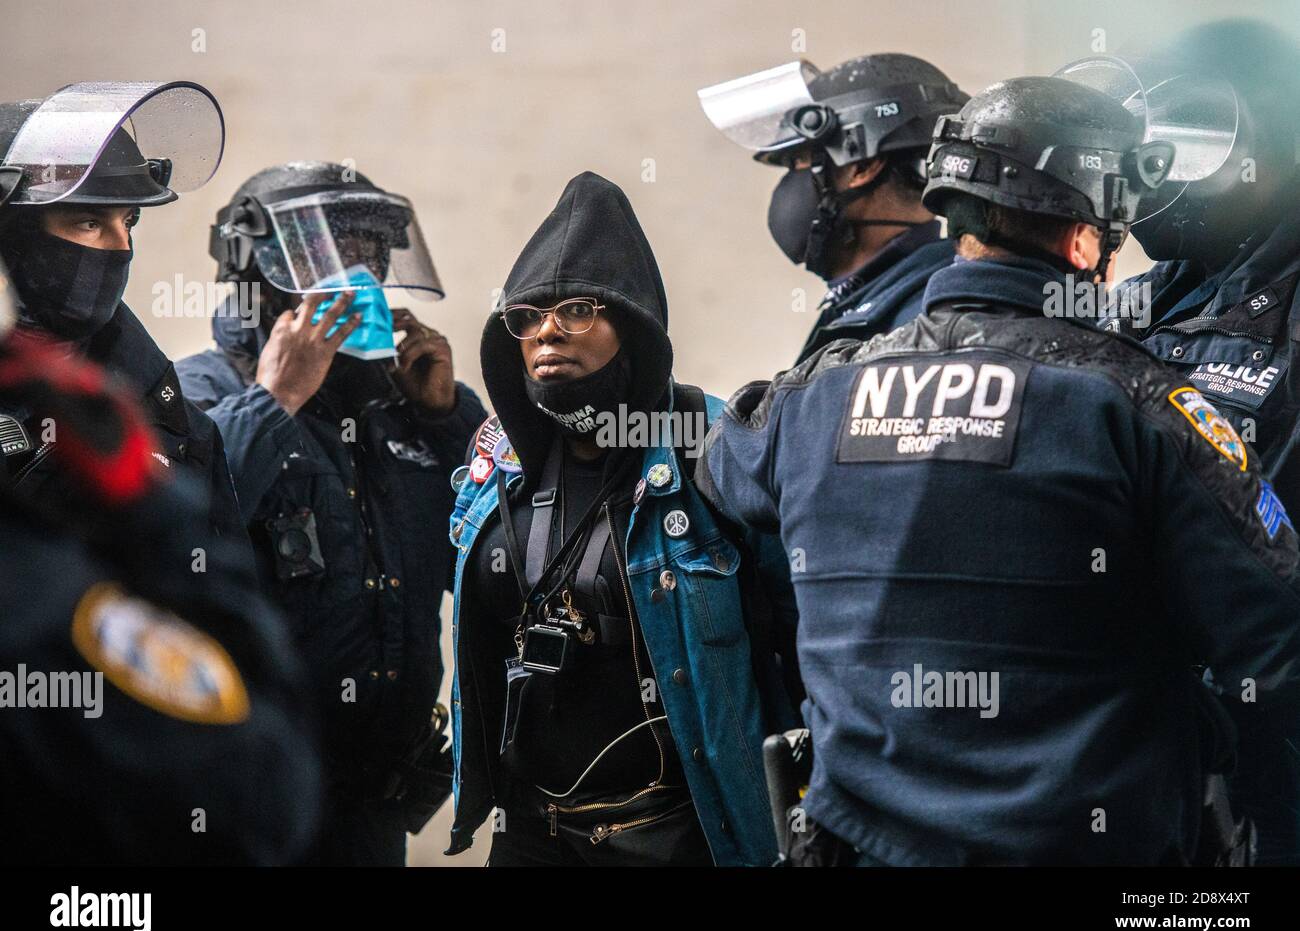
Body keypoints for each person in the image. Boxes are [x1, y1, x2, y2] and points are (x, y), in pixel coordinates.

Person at [695, 76, 1300, 865]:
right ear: (1088, 237)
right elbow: (1275, 650)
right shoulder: (1143, 411)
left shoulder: (809, 402)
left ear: (953, 216)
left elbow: (715, 474)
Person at [445, 171, 797, 867]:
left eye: (577, 310)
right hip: (528, 832)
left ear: (631, 328)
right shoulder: (496, 456)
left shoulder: (716, 445)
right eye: (527, 316)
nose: (547, 331)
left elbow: (801, 637)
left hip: (677, 834)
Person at [179, 161, 485, 865]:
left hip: (372, 808)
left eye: (372, 257)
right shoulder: (197, 393)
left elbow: (484, 567)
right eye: (331, 256)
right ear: (258, 273)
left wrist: (446, 422)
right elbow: (177, 532)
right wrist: (274, 400)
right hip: (245, 810)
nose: (360, 276)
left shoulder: (395, 405)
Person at [1060, 19, 1300, 865]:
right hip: (1137, 739)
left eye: (1191, 132)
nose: (1158, 168)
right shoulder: (1145, 298)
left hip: (1266, 738)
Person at [0, 257, 320, 864]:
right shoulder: (37, 602)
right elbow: (257, 797)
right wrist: (150, 511)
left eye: (129, 222)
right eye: (86, 224)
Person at [0, 81, 244, 543]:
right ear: (11, 235)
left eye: (129, 220)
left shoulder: (178, 424)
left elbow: (225, 600)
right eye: (90, 222)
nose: (122, 246)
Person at [699, 54, 967, 363]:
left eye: (797, 161)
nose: (789, 182)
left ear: (861, 166)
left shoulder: (930, 317)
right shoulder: (865, 302)